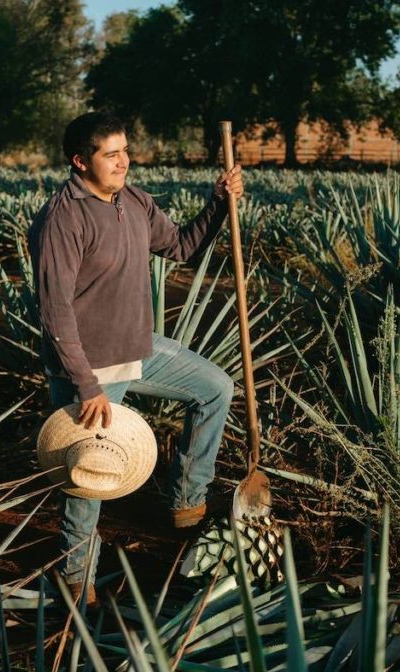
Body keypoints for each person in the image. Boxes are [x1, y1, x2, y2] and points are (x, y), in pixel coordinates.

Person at [27, 111, 244, 608]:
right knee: (88, 480)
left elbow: (182, 247)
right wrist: (86, 385)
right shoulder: (64, 217)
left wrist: (218, 203)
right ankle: (75, 584)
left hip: (137, 347)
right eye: (111, 154)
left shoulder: (133, 200)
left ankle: (186, 499)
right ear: (81, 161)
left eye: (126, 150)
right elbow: (54, 311)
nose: (123, 161)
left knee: (215, 388)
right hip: (91, 366)